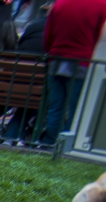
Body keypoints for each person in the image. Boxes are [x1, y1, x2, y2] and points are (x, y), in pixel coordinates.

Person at [41, 0, 106, 142]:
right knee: (77, 109)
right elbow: (100, 37)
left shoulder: (59, 3)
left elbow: (48, 35)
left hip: (56, 58)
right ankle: (67, 145)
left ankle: (50, 142)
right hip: (83, 61)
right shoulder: (101, 5)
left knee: (55, 106)